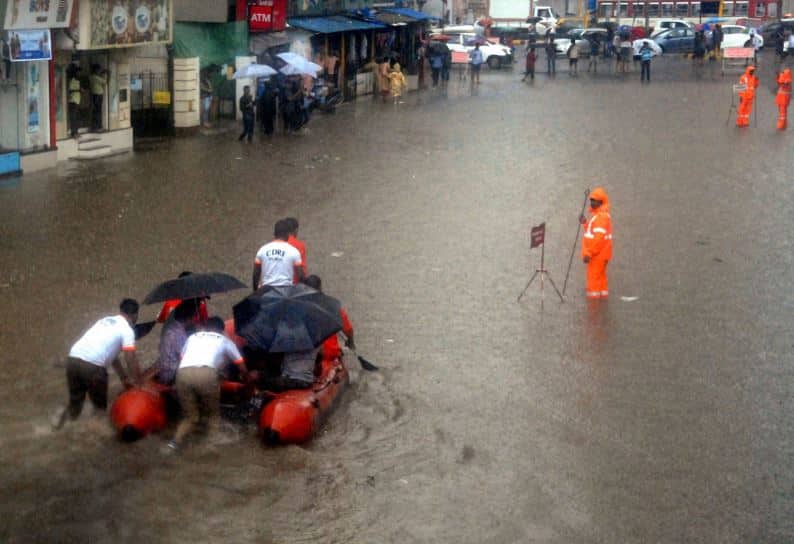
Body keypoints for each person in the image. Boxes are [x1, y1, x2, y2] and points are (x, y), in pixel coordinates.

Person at [53, 299, 143, 429]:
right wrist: (139, 383)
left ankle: (59, 427)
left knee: (76, 404)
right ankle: (99, 438)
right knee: (100, 409)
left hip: (73, 360)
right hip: (93, 367)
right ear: (135, 315)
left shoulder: (104, 321)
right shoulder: (127, 330)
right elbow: (130, 358)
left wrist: (124, 378)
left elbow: (112, 356)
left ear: (121, 311)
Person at [166, 317, 249, 452]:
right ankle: (208, 446)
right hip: (206, 374)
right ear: (222, 330)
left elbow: (183, 358)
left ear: (206, 327)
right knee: (213, 415)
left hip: (182, 374)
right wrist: (247, 382)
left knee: (191, 417)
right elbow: (242, 367)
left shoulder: (192, 337)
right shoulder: (225, 341)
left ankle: (173, 444)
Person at [302, 275, 355, 361]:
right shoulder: (333, 306)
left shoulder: (299, 307)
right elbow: (348, 329)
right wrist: (350, 341)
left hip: (307, 355)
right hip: (331, 353)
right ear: (320, 288)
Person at [580, 187, 613, 300]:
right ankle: (602, 304)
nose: (592, 203)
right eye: (591, 200)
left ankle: (593, 310)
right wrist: (585, 223)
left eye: (595, 200)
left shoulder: (600, 217)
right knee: (601, 280)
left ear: (601, 202)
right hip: (602, 255)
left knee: (593, 282)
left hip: (596, 256)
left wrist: (588, 253)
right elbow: (593, 232)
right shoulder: (600, 216)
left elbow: (598, 239)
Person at [253, 219, 305, 289]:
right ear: (287, 234)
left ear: (274, 234)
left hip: (266, 290)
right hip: (286, 290)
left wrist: (256, 290)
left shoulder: (262, 250)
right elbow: (300, 276)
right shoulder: (293, 251)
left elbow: (256, 274)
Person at [89, 64, 106, 131]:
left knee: (96, 111)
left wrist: (101, 73)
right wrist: (108, 74)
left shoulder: (91, 77)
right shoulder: (96, 78)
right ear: (96, 70)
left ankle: (95, 126)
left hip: (94, 95)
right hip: (98, 95)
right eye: (99, 70)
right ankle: (98, 126)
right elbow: (105, 82)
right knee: (98, 111)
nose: (99, 71)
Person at [67, 65, 82, 138]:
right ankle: (73, 132)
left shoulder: (78, 80)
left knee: (76, 117)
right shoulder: (72, 80)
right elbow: (70, 90)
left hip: (77, 100)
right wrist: (79, 90)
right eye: (78, 72)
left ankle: (76, 131)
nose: (79, 74)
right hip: (73, 100)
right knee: (73, 117)